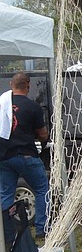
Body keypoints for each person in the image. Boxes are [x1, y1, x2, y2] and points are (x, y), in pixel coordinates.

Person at [0, 72, 50, 240]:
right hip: (26, 155)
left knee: (6, 195)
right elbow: (42, 134)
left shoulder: (1, 104)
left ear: (10, 85)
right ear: (28, 85)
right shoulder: (32, 106)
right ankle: (42, 229)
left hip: (4, 157)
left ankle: (7, 236)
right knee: (42, 190)